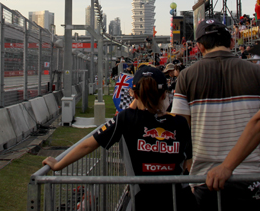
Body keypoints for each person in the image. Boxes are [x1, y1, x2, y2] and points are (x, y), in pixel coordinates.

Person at [43, 66, 196, 209]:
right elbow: (187, 163)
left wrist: (59, 165)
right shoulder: (180, 123)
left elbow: (88, 145)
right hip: (179, 201)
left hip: (144, 201)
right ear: (164, 94)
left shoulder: (126, 118)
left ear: (134, 94)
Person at [171, 19, 260, 210]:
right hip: (254, 177)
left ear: (200, 46)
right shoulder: (259, 73)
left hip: (206, 179)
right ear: (232, 43)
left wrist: (189, 169)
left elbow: (180, 129)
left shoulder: (186, 76)